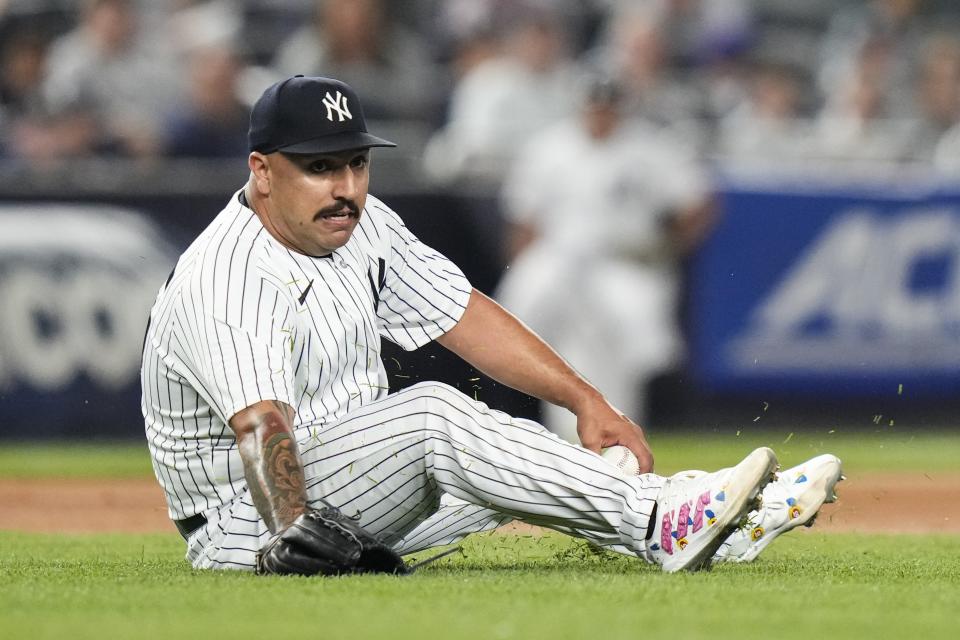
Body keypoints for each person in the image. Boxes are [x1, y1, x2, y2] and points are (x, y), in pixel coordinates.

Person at [141, 75, 842, 575]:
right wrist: (292, 532)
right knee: (435, 419)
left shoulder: (361, 225)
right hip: (250, 524)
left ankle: (706, 524)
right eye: (319, 167)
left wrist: (585, 399)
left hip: (340, 484)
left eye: (356, 163)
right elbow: (261, 423)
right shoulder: (228, 274)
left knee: (511, 458)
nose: (347, 186)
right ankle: (663, 523)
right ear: (262, 173)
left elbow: (465, 314)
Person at [495, 76, 714, 441]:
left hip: (623, 263)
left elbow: (698, 203)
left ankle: (621, 433)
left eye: (608, 107)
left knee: (638, 348)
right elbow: (523, 221)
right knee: (519, 322)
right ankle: (560, 435)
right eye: (595, 106)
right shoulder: (550, 147)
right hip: (560, 258)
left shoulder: (648, 147)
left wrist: (668, 249)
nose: (601, 114)